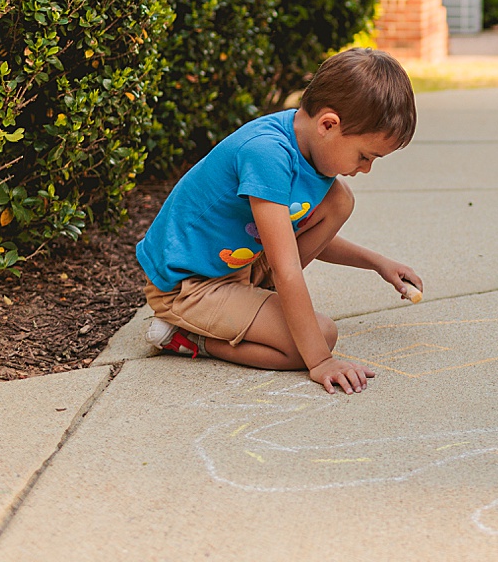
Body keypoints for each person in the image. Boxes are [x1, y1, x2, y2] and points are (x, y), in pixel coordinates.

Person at [136, 47, 422, 395]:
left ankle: (250, 304)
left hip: (237, 267)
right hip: (189, 286)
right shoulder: (267, 153)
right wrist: (319, 361)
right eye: (364, 155)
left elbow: (287, 235)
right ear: (328, 124)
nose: (366, 168)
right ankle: (187, 338)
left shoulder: (306, 142)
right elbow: (287, 269)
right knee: (321, 335)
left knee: (339, 199)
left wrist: (378, 263)